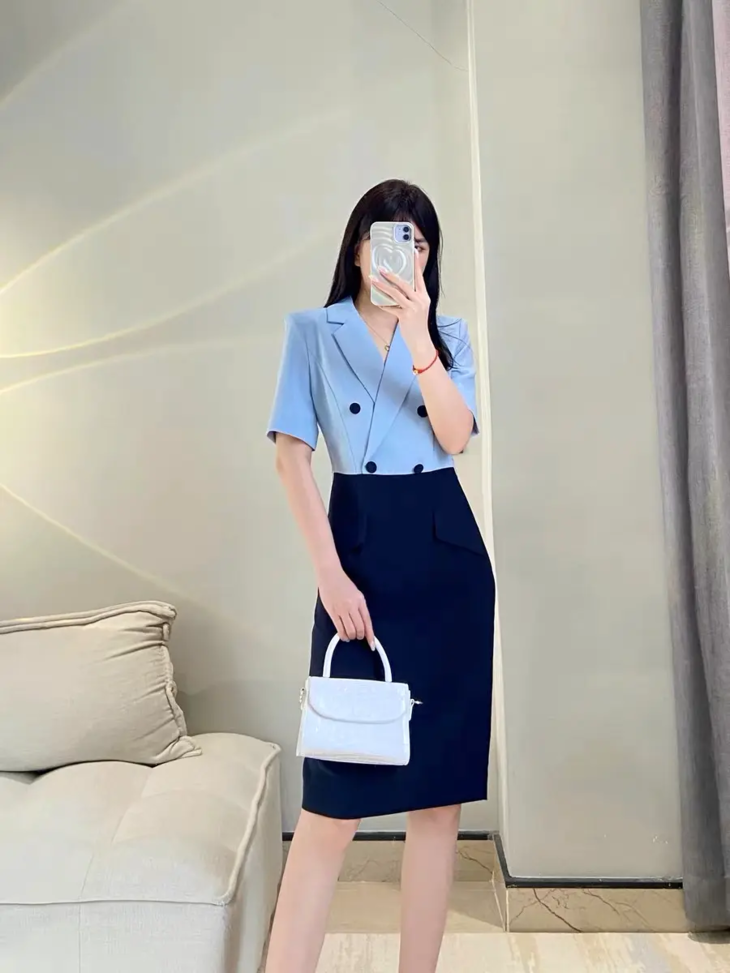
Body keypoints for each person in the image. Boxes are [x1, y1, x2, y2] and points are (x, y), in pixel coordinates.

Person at [265, 179, 495, 973]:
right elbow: (291, 458)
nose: (402, 253)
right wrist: (330, 574)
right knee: (330, 807)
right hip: (358, 553)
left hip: (446, 562)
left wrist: (419, 330)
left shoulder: (448, 335)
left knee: (437, 804)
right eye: (387, 237)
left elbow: (456, 436)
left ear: (428, 258)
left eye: (418, 242)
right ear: (358, 247)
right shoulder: (312, 331)